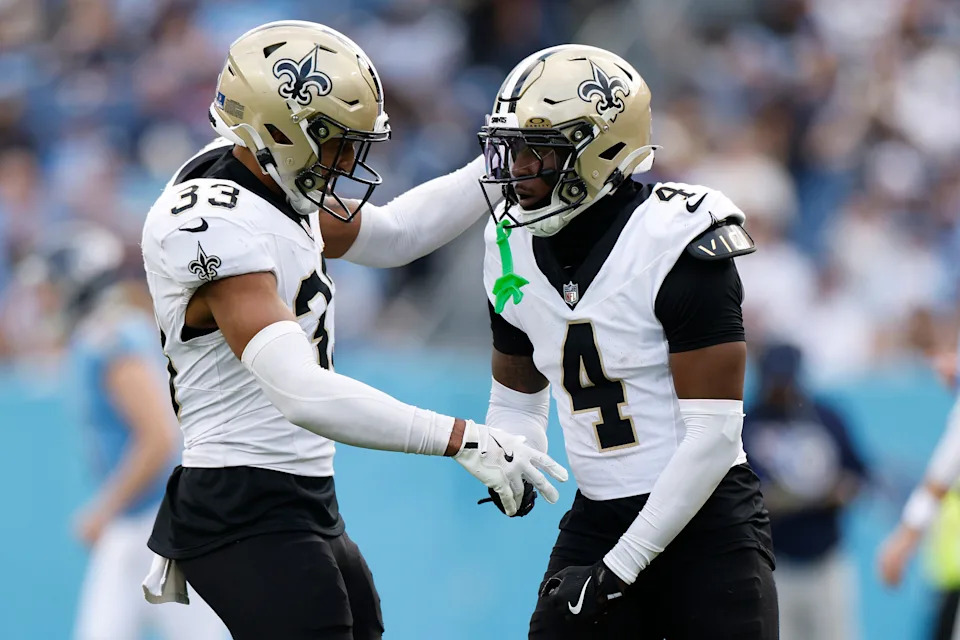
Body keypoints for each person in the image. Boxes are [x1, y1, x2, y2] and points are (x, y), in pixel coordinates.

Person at [139, 20, 567, 640]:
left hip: (300, 496)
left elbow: (396, 234)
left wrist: (499, 165)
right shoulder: (210, 221)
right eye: (332, 142)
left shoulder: (269, 180)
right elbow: (300, 391)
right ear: (275, 131)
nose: (346, 160)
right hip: (239, 499)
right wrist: (462, 438)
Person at [477, 44, 777, 639]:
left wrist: (616, 572)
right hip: (598, 514)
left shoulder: (678, 239)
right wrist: (512, 449)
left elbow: (715, 438)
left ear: (601, 151)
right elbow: (517, 394)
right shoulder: (504, 241)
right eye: (510, 147)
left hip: (708, 523)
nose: (517, 169)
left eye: (539, 150)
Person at [20, 226, 225, 640]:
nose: (42, 300)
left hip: (157, 521)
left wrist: (104, 509)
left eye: (49, 288)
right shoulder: (96, 337)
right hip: (138, 524)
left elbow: (158, 438)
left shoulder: (109, 340)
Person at [743, 343, 867, 640]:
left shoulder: (825, 416)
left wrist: (836, 491)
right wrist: (781, 499)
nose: (782, 388)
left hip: (826, 558)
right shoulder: (749, 423)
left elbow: (858, 475)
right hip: (775, 562)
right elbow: (739, 495)